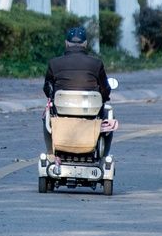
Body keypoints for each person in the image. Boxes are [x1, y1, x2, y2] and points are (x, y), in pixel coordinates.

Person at [43, 25, 113, 153]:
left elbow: (47, 89)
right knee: (108, 118)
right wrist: (104, 96)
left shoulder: (54, 63)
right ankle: (103, 155)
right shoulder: (96, 63)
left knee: (46, 117)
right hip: (91, 112)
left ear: (66, 43)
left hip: (61, 112)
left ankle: (51, 153)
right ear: (85, 44)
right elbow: (105, 90)